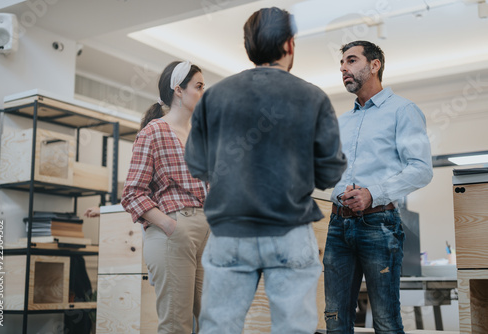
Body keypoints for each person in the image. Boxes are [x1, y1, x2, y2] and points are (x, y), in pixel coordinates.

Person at [184, 7, 347, 334]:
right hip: (289, 230)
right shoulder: (312, 97)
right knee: (294, 328)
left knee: (218, 328)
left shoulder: (213, 97)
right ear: (289, 45)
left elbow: (197, 164)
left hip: (229, 231)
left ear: (249, 47)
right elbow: (330, 173)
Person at [323, 40, 433, 334]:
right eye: (342, 64)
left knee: (384, 320)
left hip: (379, 226)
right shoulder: (341, 122)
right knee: (335, 319)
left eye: (352, 60)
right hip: (337, 226)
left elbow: (421, 169)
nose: (344, 69)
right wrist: (337, 190)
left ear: (375, 65)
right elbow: (331, 171)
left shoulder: (404, 111)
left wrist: (373, 193)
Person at [121, 60, 209, 334]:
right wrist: (171, 225)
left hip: (208, 234)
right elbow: (133, 193)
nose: (203, 92)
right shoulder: (153, 132)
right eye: (198, 86)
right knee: (176, 326)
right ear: (178, 90)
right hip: (174, 230)